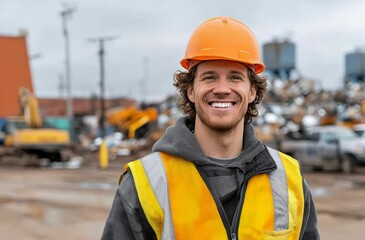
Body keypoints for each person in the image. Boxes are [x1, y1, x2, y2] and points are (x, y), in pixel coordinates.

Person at [102, 16, 320, 240]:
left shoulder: (288, 178)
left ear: (253, 91)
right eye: (209, 77)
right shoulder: (146, 182)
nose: (222, 89)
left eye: (235, 78)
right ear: (191, 91)